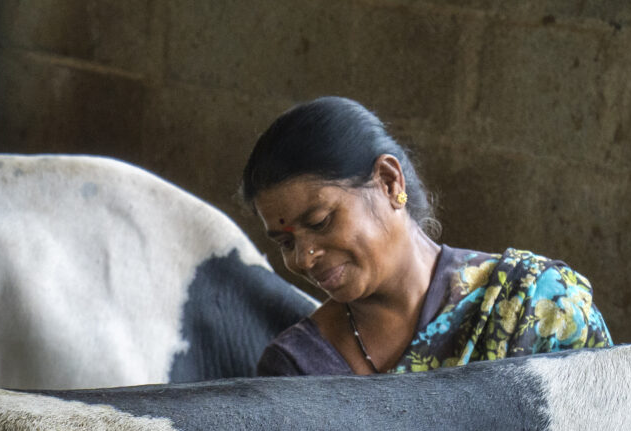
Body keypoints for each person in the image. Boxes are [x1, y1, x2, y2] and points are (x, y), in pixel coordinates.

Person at [242, 97, 611, 378]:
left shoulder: (538, 303)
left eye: (321, 221)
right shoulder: (299, 366)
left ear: (389, 182)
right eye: (285, 243)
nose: (303, 258)